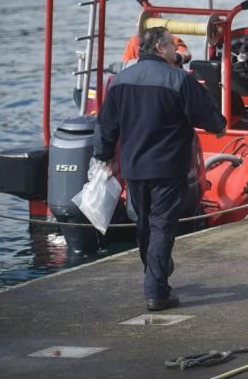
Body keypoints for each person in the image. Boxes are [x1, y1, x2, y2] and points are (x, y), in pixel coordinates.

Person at [95, 27, 226, 311]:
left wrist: (103, 155)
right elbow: (205, 112)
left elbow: (106, 125)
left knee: (144, 224)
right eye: (170, 45)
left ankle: (157, 271)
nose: (174, 50)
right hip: (168, 165)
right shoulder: (179, 79)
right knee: (162, 225)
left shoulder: (119, 82)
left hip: (135, 167)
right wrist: (218, 127)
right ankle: (156, 289)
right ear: (158, 49)